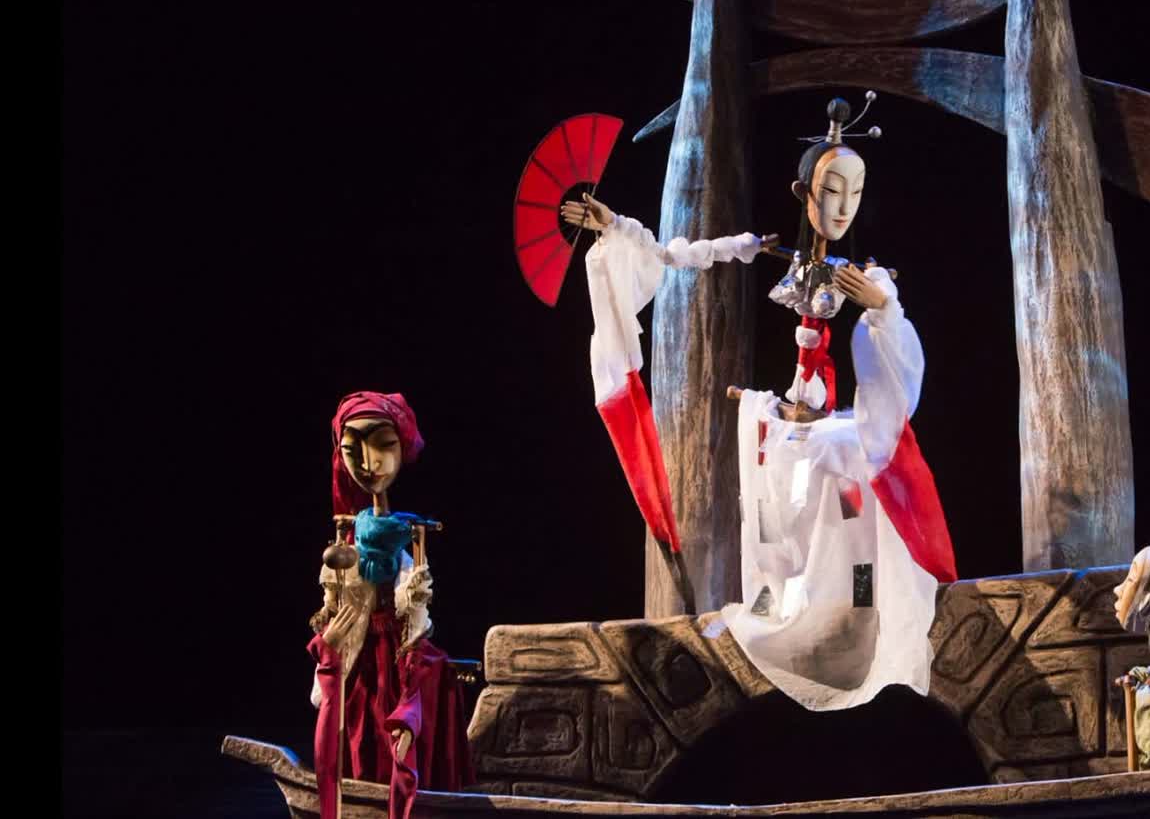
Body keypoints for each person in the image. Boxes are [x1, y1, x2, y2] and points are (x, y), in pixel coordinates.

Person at [564, 95, 956, 712]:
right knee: (773, 513)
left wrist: (882, 309)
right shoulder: (773, 251)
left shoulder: (868, 277)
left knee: (851, 508)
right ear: (805, 193)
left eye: (855, 194)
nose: (843, 207)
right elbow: (675, 256)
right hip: (792, 426)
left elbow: (900, 372)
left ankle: (858, 608)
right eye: (832, 191)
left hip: (833, 434)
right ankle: (777, 607)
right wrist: (614, 226)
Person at [307, 391, 473, 818]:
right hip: (360, 654)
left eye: (383, 445)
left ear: (403, 446)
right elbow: (336, 603)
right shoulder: (348, 541)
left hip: (399, 656)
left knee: (414, 705)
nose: (369, 463)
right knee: (359, 731)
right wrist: (331, 644)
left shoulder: (405, 544)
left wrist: (411, 691)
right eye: (352, 450)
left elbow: (413, 610)